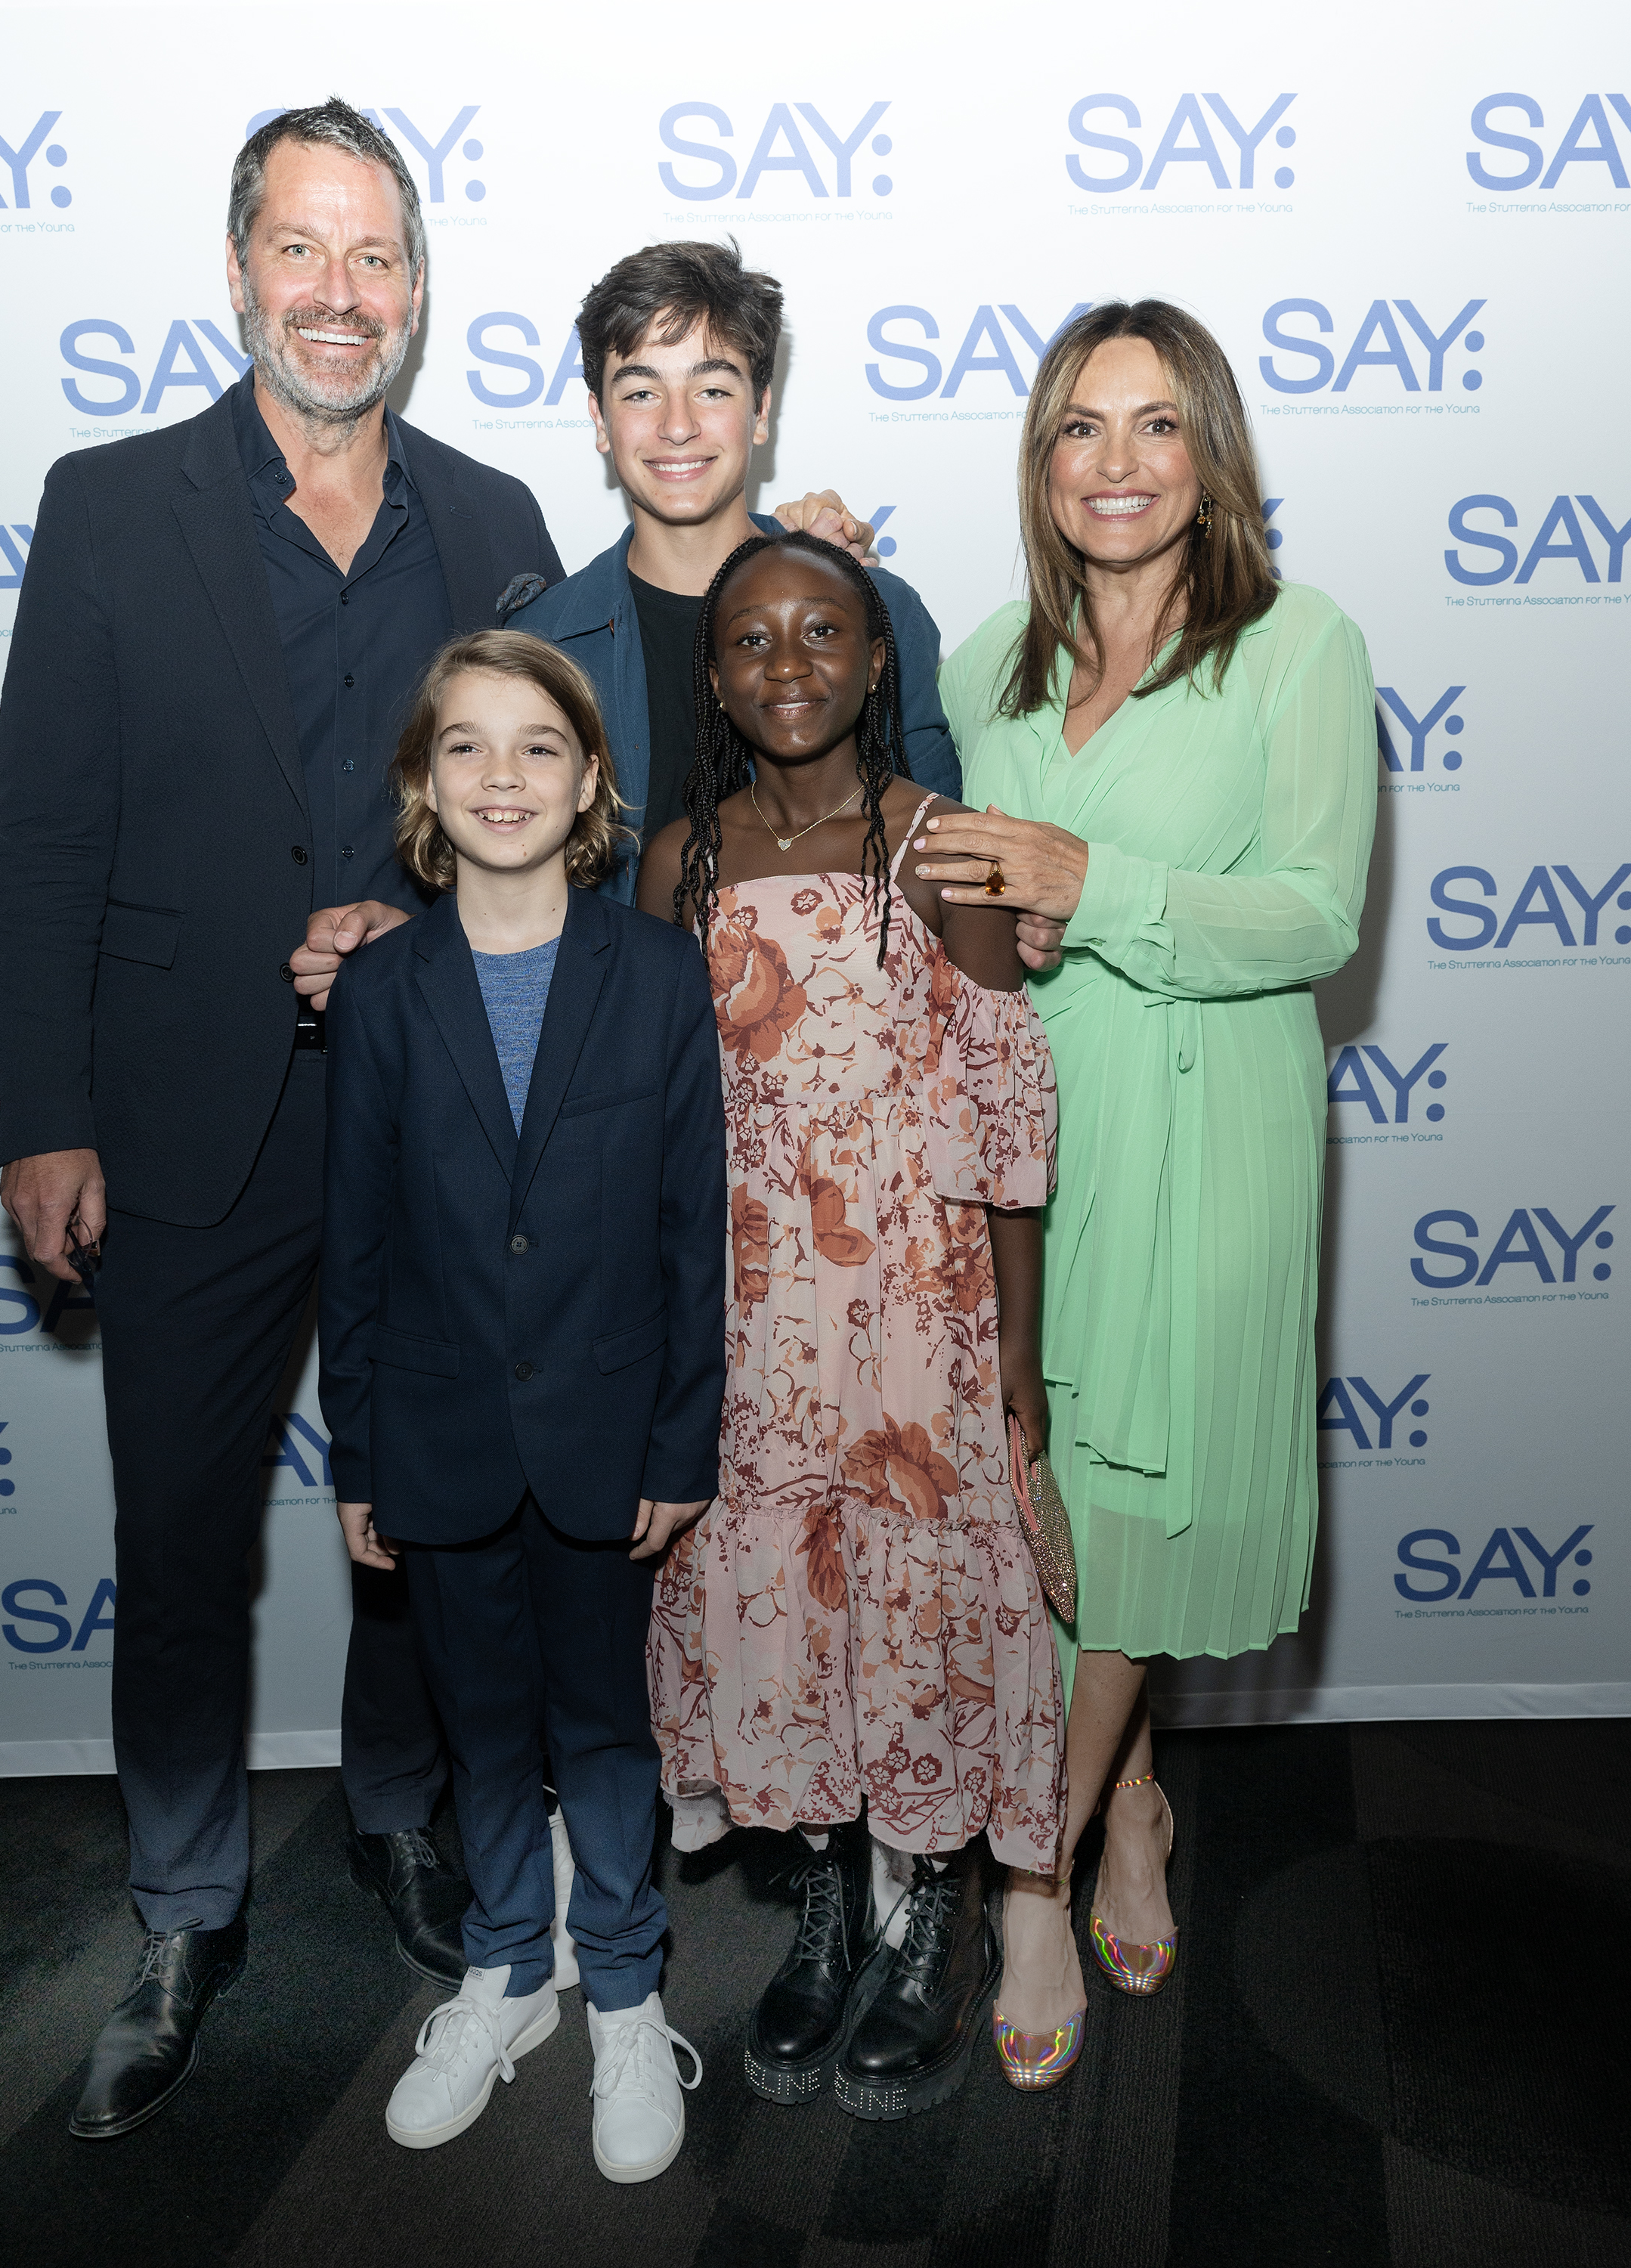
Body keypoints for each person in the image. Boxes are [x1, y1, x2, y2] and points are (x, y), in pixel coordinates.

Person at [0, 99, 565, 2140]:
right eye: (303, 253)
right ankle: (180, 1900)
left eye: (376, 257)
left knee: (423, 1520)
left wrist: (411, 924)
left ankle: (399, 1821)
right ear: (239, 272)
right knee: (175, 1541)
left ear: (416, 285)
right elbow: (44, 832)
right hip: (175, 1121)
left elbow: (563, 816)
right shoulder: (109, 502)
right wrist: (44, 1112)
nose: (340, 295)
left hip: (432, 1123)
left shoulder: (495, 520)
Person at [911, 300, 1377, 2087]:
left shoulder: (1294, 647)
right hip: (1035, 1131)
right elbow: (912, 839)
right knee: (1046, 1493)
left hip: (1213, 1126)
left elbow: (1315, 913)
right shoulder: (982, 665)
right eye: (1075, 429)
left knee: (1133, 1507)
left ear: (1209, 456)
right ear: (1037, 463)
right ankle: (1133, 1804)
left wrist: (1088, 878)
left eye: (1153, 425)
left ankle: (1030, 1863)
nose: (1113, 463)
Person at [638, 531, 1063, 2120]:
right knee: (781, 1614)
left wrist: (1013, 1363)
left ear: (882, 663)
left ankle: (931, 1921)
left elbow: (1008, 1118)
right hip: (750, 1319)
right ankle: (824, 1908)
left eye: (827, 632)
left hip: (917, 1316)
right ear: (716, 674)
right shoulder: (679, 850)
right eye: (753, 640)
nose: (791, 664)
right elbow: (658, 1115)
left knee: (927, 1617)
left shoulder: (939, 843)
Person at [319, 630, 724, 2181]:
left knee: (607, 1731)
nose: (504, 776)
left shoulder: (655, 973)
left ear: (592, 779)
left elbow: (698, 1231)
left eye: (538, 745)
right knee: (481, 1730)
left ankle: (623, 1984)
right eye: (468, 747)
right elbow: (353, 1246)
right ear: (424, 784)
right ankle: (507, 1970)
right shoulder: (380, 994)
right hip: (434, 1434)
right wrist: (359, 1448)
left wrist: (682, 1438)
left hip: (610, 1436)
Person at [516, 238, 960, 900]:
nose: (677, 426)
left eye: (712, 388)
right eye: (641, 392)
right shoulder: (539, 644)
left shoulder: (877, 611)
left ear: (761, 412)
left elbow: (944, 865)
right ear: (600, 420)